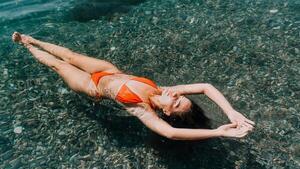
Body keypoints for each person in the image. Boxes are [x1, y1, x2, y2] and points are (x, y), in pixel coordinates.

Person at [12, 32, 255, 140]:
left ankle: (28, 47)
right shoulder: (162, 89)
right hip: (107, 70)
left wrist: (217, 132)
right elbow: (205, 86)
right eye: (181, 95)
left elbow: (170, 133)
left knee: (58, 66)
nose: (177, 94)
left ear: (168, 112)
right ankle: (33, 38)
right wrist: (230, 112)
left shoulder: (142, 110)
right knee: (71, 54)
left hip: (90, 86)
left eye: (177, 101)